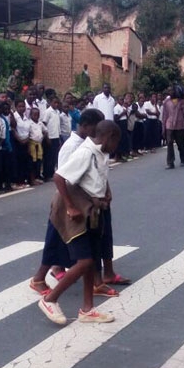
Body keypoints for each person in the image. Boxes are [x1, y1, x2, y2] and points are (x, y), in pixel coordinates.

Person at [38, 120, 121, 325]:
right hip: (75, 211)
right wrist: (70, 206)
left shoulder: (101, 154)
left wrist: (106, 193)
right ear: (109, 137)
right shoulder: (85, 153)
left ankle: (87, 309)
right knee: (83, 261)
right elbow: (59, 177)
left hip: (92, 210)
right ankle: (50, 299)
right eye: (116, 141)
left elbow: (98, 178)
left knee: (92, 260)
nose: (117, 146)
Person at [162, 85, 184, 169]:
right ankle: (170, 162)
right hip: (169, 125)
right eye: (169, 91)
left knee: (180, 144)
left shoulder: (182, 102)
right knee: (169, 143)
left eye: (172, 91)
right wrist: (163, 127)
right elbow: (164, 115)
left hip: (180, 125)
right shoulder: (166, 102)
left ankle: (182, 158)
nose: (170, 92)